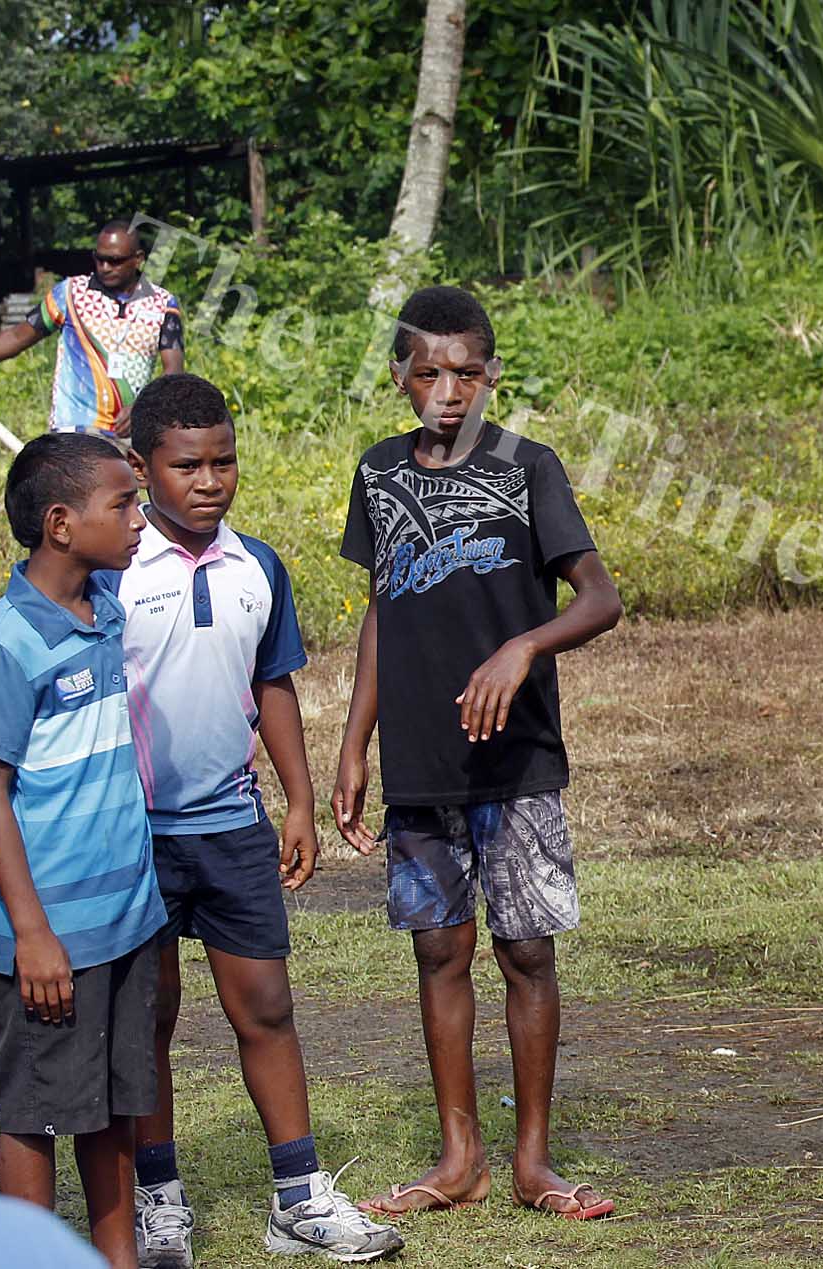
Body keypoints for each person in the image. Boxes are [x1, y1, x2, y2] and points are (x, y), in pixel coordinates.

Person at [332, 286, 624, 1220]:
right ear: (400, 378)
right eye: (430, 372)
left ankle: (534, 1159)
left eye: (467, 373)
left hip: (516, 756)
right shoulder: (378, 474)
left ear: (491, 377)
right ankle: (462, 1157)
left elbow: (598, 597)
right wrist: (354, 740)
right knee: (439, 949)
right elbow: (382, 608)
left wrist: (524, 645)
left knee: (526, 949)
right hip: (421, 759)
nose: (448, 390)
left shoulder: (526, 466)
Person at [110, 374, 403, 1264]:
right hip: (132, 835)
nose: (210, 481)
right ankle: (158, 1199)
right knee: (149, 1014)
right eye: (186, 465)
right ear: (141, 467)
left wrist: (300, 797)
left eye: (224, 461)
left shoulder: (258, 565)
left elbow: (271, 685)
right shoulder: (110, 567)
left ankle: (299, 1196)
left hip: (232, 829)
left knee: (266, 1006)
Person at [0, 432, 165, 1269]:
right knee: (35, 1110)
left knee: (115, 1102)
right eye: (123, 504)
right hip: (49, 934)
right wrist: (31, 932)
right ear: (61, 523)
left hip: (125, 919)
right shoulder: (8, 640)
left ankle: (115, 1256)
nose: (140, 519)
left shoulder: (106, 602)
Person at [0, 221, 183, 438]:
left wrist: (143, 408)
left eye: (114, 261)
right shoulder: (70, 293)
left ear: (138, 259)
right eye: (99, 258)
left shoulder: (163, 304)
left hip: (128, 437)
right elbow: (17, 337)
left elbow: (173, 370)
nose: (105, 267)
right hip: (72, 434)